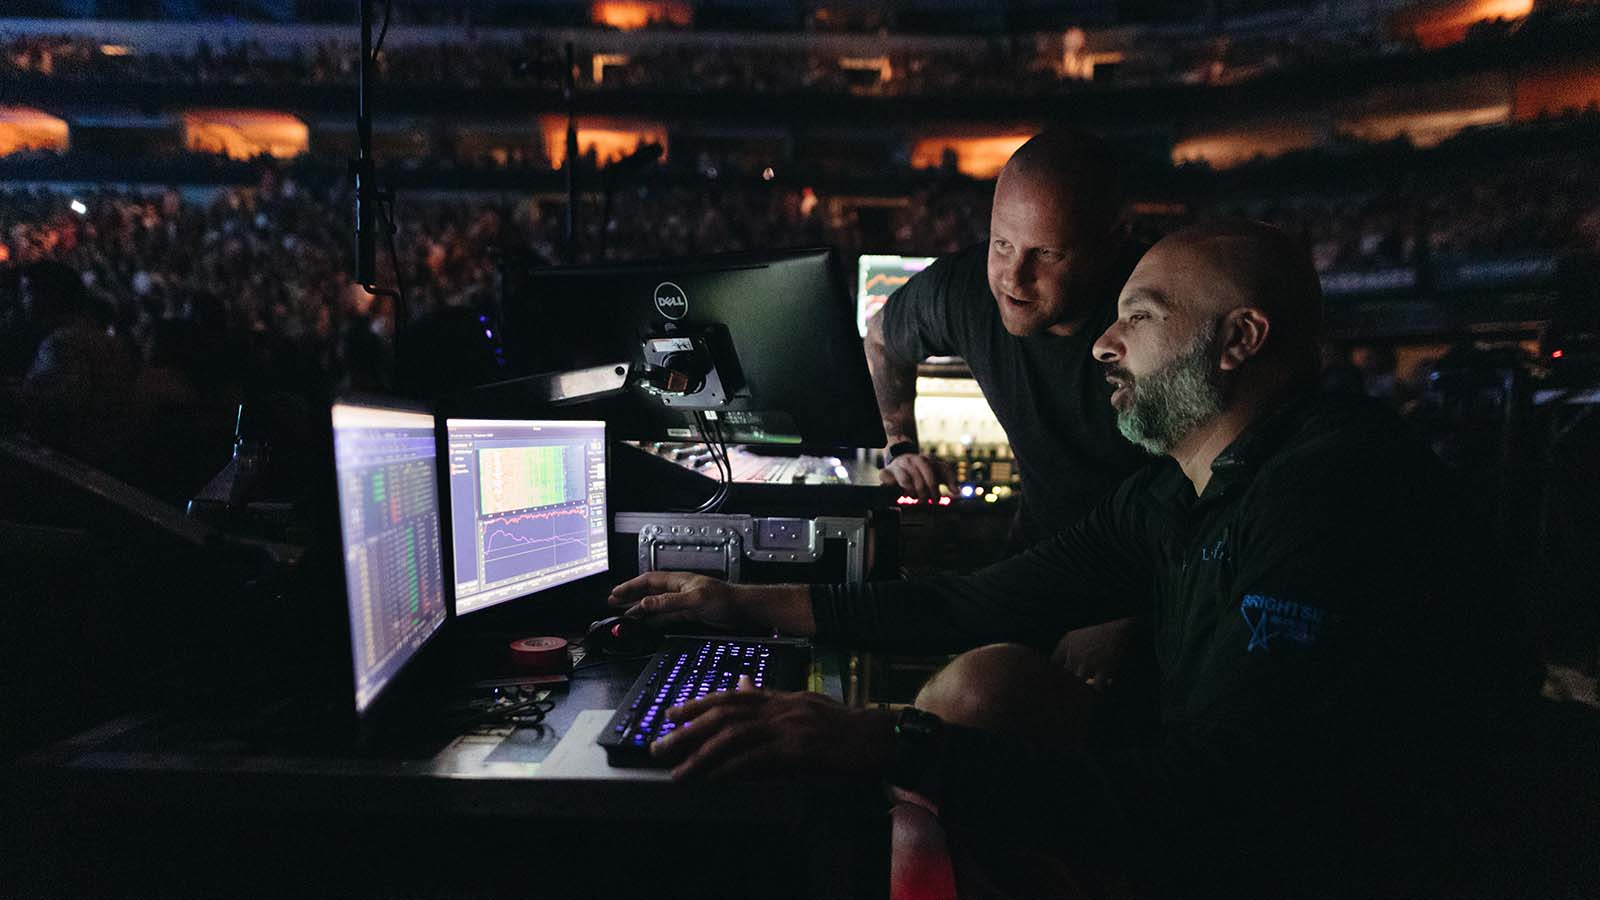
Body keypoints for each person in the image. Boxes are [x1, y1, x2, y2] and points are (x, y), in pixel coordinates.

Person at [608, 221, 1529, 898]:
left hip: (1342, 862)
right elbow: (979, 602)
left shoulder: (1330, 499)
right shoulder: (1177, 487)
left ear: (1241, 340)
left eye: (1141, 316)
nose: (1102, 342)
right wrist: (740, 603)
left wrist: (883, 739)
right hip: (1235, 824)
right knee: (986, 683)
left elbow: (1216, 800)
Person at [865, 129, 1152, 691]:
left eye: (1047, 253)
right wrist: (900, 443)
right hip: (1044, 554)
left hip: (1160, 575)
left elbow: (1224, 486)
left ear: (1112, 239)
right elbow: (881, 338)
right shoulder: (967, 288)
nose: (1012, 278)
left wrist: (1134, 610)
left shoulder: (1158, 313)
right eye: (1002, 244)